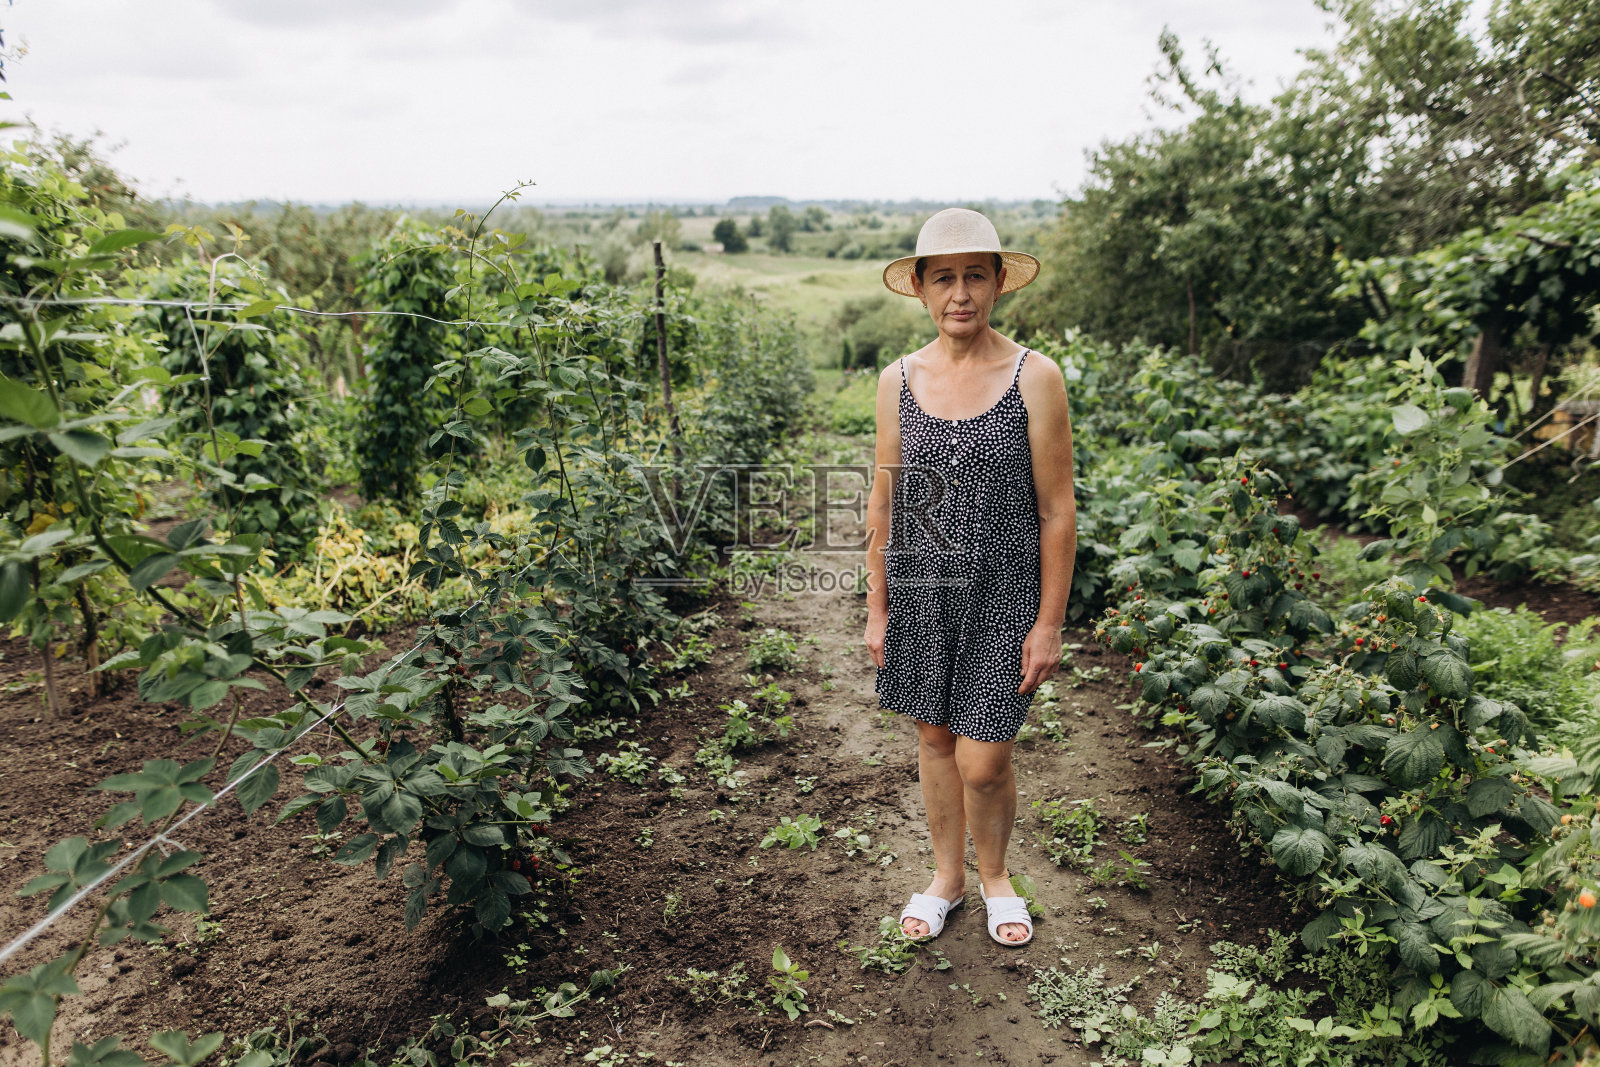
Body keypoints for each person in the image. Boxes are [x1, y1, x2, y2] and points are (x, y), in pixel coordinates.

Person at [863, 207, 1076, 946]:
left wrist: (1049, 623)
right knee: (934, 740)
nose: (961, 293)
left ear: (998, 284)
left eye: (975, 276)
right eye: (944, 278)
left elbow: (1057, 511)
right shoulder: (898, 379)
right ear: (921, 288)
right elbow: (885, 499)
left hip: (1003, 596)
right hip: (921, 593)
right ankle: (947, 878)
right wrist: (877, 606)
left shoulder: (1034, 377)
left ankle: (996, 877)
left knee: (983, 760)